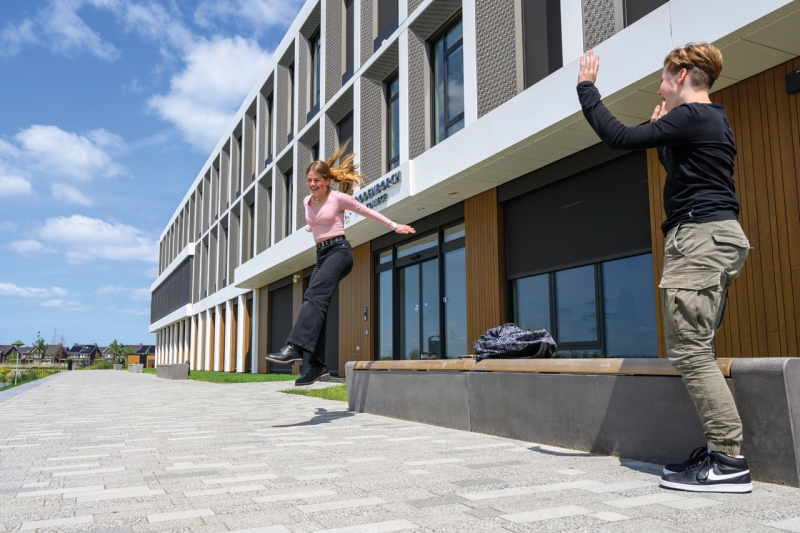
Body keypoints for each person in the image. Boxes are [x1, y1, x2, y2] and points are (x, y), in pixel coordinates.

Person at [577, 43, 753, 493]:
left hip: (699, 239)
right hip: (715, 237)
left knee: (691, 351)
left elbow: (618, 137)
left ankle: (729, 462)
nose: (659, 86)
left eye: (663, 76)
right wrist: (662, 140)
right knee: (698, 349)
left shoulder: (694, 116)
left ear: (681, 74)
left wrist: (587, 89)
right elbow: (690, 174)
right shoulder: (713, 121)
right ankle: (720, 455)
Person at [265, 144, 415, 385]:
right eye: (309, 180)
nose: (313, 184)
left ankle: (293, 346)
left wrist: (393, 225)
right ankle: (317, 366)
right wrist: (310, 226)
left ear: (327, 180)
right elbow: (316, 221)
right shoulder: (307, 201)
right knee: (316, 305)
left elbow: (367, 211)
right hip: (321, 255)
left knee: (314, 296)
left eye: (317, 180)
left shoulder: (338, 198)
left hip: (339, 252)